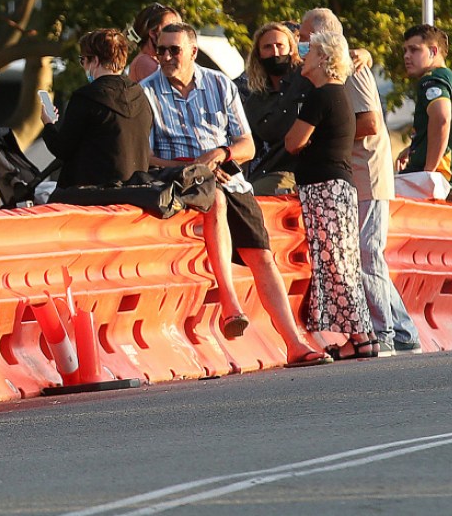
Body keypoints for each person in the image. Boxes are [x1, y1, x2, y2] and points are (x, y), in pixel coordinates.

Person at [140, 23, 327, 366]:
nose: (165, 57)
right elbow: (142, 155)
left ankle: (294, 343)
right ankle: (230, 304)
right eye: (160, 50)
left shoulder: (220, 84)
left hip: (228, 176)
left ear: (193, 52)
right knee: (217, 200)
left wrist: (221, 154)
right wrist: (192, 165)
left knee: (263, 255)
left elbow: (247, 145)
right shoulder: (144, 92)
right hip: (179, 180)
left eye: (173, 50)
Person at [309, 7, 424, 356]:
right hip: (359, 174)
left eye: (304, 36)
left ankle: (383, 331)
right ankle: (403, 329)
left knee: (367, 253)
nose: (301, 43)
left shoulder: (351, 68)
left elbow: (370, 122)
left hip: (368, 173)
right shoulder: (343, 65)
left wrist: (329, 134)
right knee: (367, 255)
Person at [284, 32, 377, 357]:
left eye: (309, 52)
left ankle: (360, 337)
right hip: (339, 185)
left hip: (324, 186)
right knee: (344, 262)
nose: (302, 56)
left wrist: (303, 144)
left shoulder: (321, 96)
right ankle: (361, 336)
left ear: (323, 58)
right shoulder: (339, 95)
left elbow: (293, 142)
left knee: (335, 262)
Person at [41, 28, 152, 188]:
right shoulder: (141, 96)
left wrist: (48, 124)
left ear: (96, 61)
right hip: (133, 194)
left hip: (93, 196)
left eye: (83, 60)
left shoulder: (86, 97)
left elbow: (62, 149)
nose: (83, 66)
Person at [396, 24, 452, 202]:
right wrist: (414, 148)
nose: (406, 56)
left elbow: (442, 119)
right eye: (405, 50)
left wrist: (428, 171)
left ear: (433, 51)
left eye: (414, 50)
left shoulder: (432, 80)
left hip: (439, 180)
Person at [238, 22, 312, 195]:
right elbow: (248, 146)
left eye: (280, 46)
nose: (275, 52)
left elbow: (338, 60)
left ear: (291, 48)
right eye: (268, 47)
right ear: (258, 54)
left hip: (304, 171)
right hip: (268, 171)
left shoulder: (307, 80)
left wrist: (363, 54)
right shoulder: (254, 99)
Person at [126, 3, 182, 83]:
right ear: (152, 33)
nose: (176, 33)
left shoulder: (152, 61)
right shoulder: (145, 62)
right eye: (169, 28)